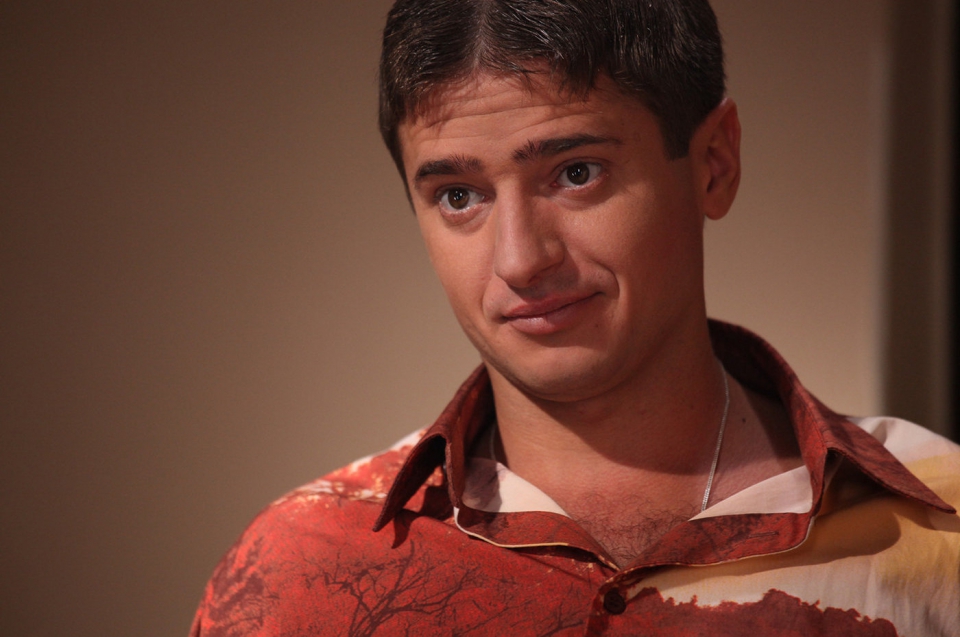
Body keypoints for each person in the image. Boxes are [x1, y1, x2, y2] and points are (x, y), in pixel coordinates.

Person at [191, 0, 960, 634]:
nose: (521, 259)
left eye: (575, 173)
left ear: (714, 164)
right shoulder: (298, 579)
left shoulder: (942, 535)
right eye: (458, 195)